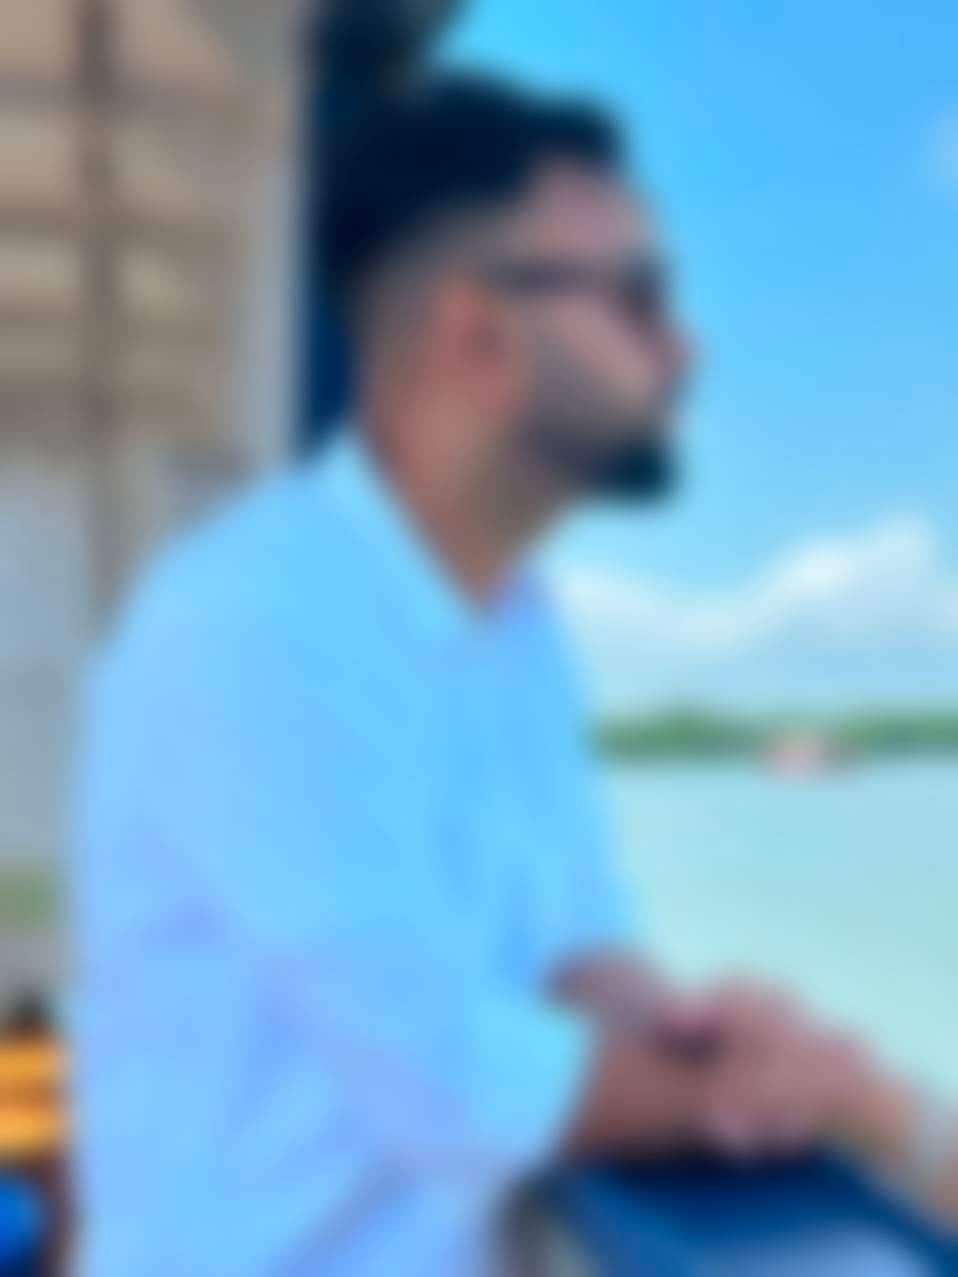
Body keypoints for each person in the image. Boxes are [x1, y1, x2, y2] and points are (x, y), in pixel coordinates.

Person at [72, 79, 955, 1276]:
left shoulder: (517, 626)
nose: (682, 346)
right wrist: (816, 1095)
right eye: (638, 298)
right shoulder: (251, 618)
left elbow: (580, 950)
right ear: (478, 337)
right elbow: (448, 1068)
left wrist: (710, 1035)